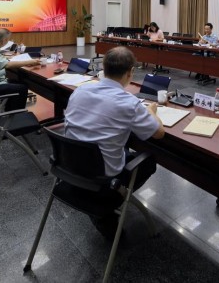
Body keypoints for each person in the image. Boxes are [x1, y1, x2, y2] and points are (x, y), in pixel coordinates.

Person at [64, 46, 164, 238]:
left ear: (104, 67)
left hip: (69, 168)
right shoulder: (129, 102)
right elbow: (158, 133)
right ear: (130, 72)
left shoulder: (80, 91)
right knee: (149, 161)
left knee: (119, 141)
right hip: (103, 181)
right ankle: (108, 207)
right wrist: (151, 111)